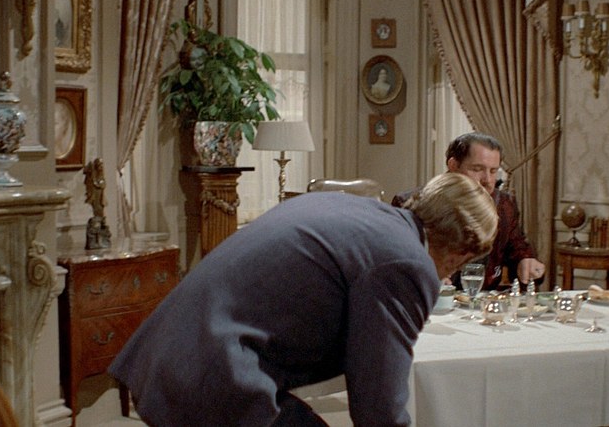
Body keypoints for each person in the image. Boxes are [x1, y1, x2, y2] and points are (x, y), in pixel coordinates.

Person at [108, 172, 497, 426]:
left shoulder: (361, 213)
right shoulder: (406, 262)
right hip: (214, 377)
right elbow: (379, 404)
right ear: (460, 252)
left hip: (172, 356)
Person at [392, 132, 545, 290]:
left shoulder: (504, 205)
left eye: (493, 171)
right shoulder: (413, 203)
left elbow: (517, 247)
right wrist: (427, 274)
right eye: (477, 169)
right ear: (453, 166)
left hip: (482, 300)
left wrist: (525, 261)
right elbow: (397, 262)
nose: (487, 180)